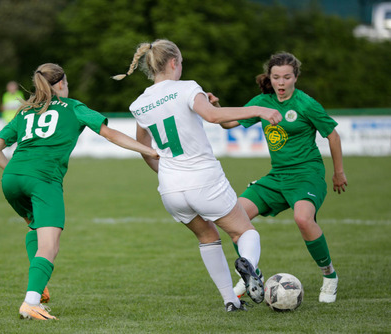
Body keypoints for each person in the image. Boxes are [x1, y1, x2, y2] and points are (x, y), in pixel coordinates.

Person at [112, 39, 282, 312]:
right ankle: (249, 268)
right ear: (173, 63)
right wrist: (259, 109)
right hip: (204, 180)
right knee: (244, 232)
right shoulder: (188, 88)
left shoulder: (140, 103)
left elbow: (145, 148)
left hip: (170, 188)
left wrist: (166, 172)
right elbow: (214, 117)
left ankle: (230, 301)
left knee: (207, 238)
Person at [0, 63, 158, 320]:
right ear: (62, 83)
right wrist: (150, 150)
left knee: (35, 227)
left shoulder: (25, 111)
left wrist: (16, 172)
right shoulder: (74, 107)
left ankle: (39, 286)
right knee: (50, 246)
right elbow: (110, 134)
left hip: (11, 178)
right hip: (43, 180)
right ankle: (30, 303)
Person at [217, 52, 348, 303]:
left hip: (306, 175)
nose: (281, 82)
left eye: (287, 77)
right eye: (276, 77)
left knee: (302, 218)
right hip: (277, 176)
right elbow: (228, 124)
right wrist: (215, 108)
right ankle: (252, 275)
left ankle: (329, 276)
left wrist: (338, 173)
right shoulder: (262, 102)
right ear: (270, 77)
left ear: (295, 77)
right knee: (234, 217)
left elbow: (333, 135)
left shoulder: (306, 104)